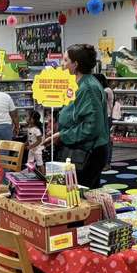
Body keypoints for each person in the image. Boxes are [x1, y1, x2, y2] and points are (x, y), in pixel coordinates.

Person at [43, 44, 109, 189]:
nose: (62, 64)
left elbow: (92, 127)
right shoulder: (78, 84)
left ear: (75, 64)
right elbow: (75, 115)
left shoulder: (88, 87)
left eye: (66, 60)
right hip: (80, 150)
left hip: (89, 153)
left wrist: (62, 135)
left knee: (81, 197)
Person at [94, 73, 114, 170]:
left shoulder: (107, 90)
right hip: (101, 117)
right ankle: (102, 162)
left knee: (106, 141)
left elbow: (99, 97)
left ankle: (107, 163)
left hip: (106, 117)